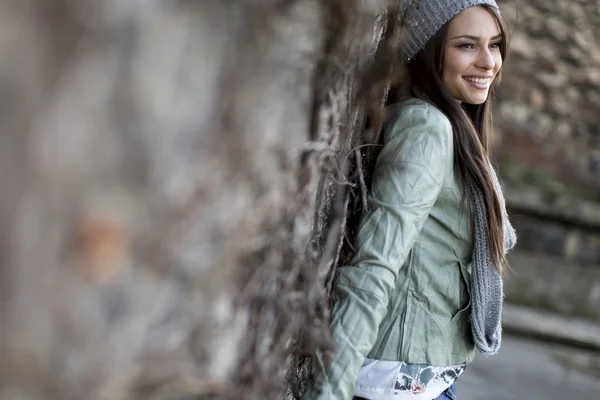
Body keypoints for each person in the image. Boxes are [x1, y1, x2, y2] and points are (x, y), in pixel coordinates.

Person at [306, 1, 517, 399]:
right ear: (428, 49)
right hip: (397, 385)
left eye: (495, 44)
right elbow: (374, 265)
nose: (489, 61)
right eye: (467, 45)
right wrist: (329, 392)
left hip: (425, 379)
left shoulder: (454, 127)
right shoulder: (428, 129)